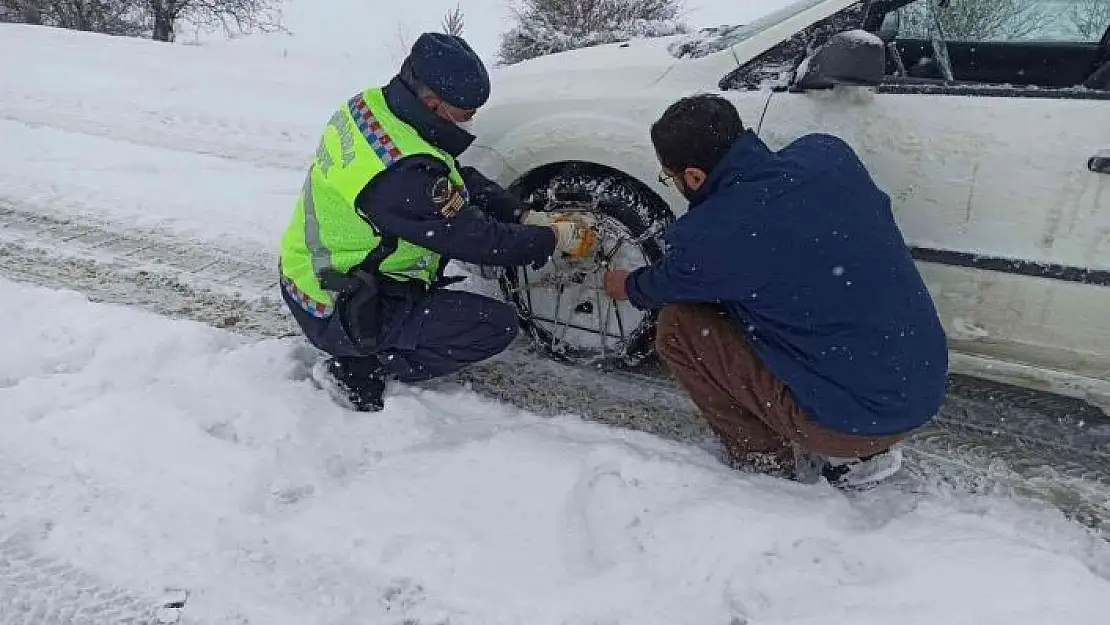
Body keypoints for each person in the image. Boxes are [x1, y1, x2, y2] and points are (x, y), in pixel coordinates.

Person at [604, 94, 949, 489]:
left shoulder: (711, 236)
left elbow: (660, 286)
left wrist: (625, 284)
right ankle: (855, 436)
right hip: (923, 387)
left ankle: (766, 463)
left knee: (679, 327)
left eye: (672, 176)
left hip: (856, 423)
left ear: (695, 177)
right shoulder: (828, 155)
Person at [278, 32, 597, 412]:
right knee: (493, 327)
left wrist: (519, 213)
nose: (472, 119)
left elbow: (452, 179)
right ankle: (360, 364)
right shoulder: (402, 175)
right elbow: (479, 241)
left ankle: (373, 335)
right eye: (466, 111)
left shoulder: (374, 108)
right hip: (337, 304)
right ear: (433, 103)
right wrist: (551, 238)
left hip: (309, 272)